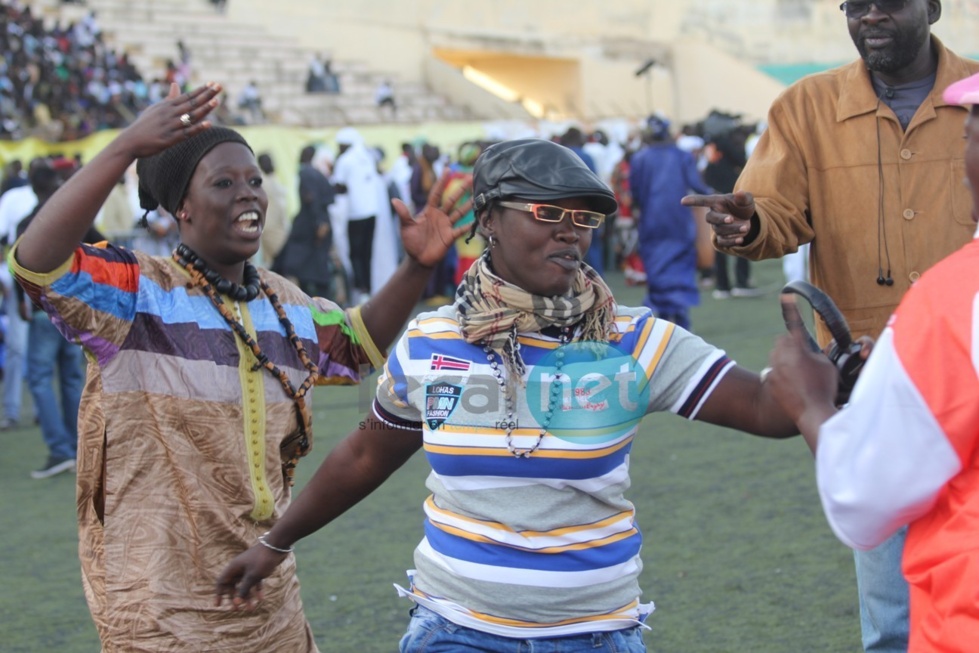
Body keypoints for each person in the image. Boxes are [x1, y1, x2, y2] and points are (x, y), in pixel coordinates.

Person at [216, 138, 805, 651]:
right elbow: (366, 453)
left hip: (596, 632)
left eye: (584, 219)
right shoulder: (431, 341)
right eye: (548, 211)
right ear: (490, 220)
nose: (570, 230)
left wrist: (819, 365)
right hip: (453, 629)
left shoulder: (633, 340)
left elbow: (766, 408)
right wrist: (275, 542)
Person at [9, 81, 468, 652]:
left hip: (266, 584)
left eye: (253, 180)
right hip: (159, 596)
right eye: (224, 183)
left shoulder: (282, 302)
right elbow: (38, 265)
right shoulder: (136, 295)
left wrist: (415, 268)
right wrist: (125, 146)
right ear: (183, 206)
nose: (248, 194)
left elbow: (356, 349)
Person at [682, 2, 979, 648]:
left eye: (889, 3)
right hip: (869, 385)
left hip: (967, 370)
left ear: (931, 8)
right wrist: (747, 222)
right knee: (891, 618)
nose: (869, 16)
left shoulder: (973, 97)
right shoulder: (804, 107)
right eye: (855, 4)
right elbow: (773, 209)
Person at [766, 70, 979, 653]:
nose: (961, 157)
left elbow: (868, 493)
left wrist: (811, 405)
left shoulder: (953, 299)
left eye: (970, 138)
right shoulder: (806, 105)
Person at [14, 162, 95, 478]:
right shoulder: (73, 217)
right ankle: (78, 447)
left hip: (42, 309)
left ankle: (61, 449)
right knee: (72, 378)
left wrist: (23, 301)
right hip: (72, 307)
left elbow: (20, 268)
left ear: (34, 188)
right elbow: (101, 248)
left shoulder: (27, 222)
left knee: (39, 378)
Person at [630, 115, 712, 330]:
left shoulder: (640, 158)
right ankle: (681, 319)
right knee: (680, 267)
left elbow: (636, 193)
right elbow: (698, 186)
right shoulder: (682, 156)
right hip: (679, 221)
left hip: (652, 222)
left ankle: (663, 317)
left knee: (657, 269)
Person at [333, 127, 384, 303]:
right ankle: (367, 288)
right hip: (372, 212)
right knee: (367, 253)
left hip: (355, 214)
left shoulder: (345, 160)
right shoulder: (366, 157)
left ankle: (359, 289)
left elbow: (339, 185)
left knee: (355, 253)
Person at [256, 152, 289, 268]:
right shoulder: (261, 181)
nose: (268, 164)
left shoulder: (273, 178)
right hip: (269, 227)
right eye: (265, 162)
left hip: (280, 225)